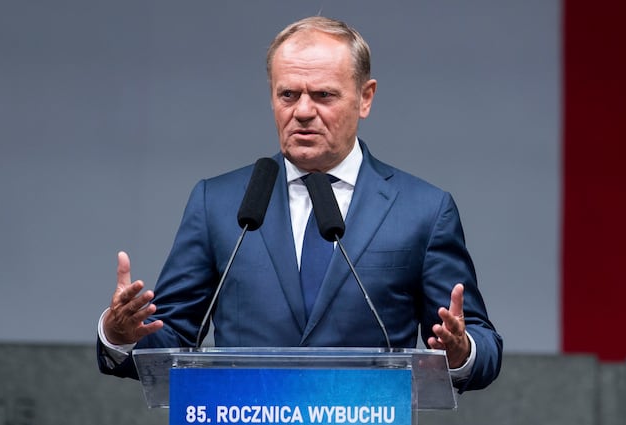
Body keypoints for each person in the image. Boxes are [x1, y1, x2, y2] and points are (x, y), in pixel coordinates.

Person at [96, 16, 502, 393]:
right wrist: (123, 334)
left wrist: (460, 352)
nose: (303, 111)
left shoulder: (423, 211)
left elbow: (483, 344)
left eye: (323, 95)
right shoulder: (219, 203)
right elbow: (172, 337)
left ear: (365, 98)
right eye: (288, 94)